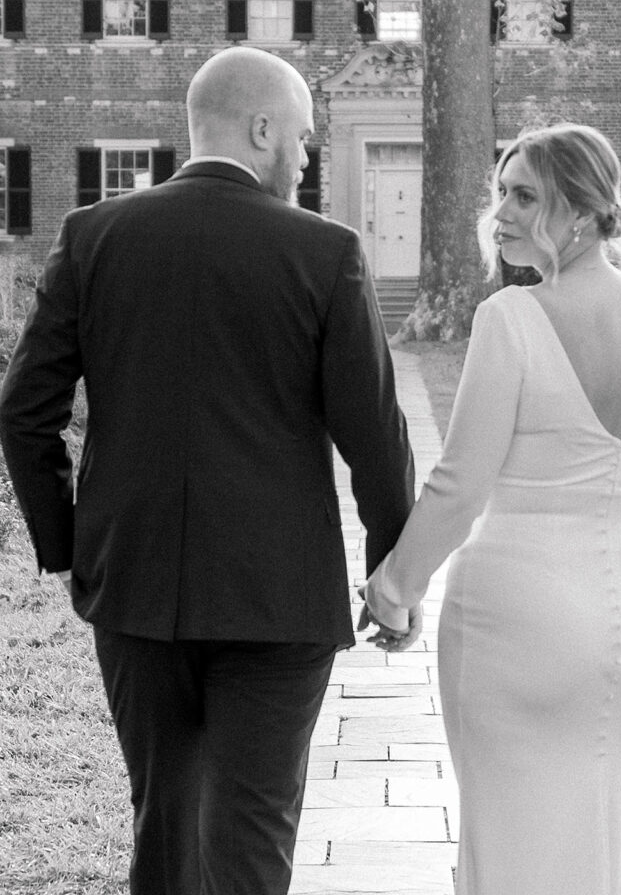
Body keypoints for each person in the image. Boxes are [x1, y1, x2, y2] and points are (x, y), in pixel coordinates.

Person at [0, 47, 415, 895]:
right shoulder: (325, 252)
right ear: (262, 129)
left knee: (164, 825)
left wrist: (69, 541)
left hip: (134, 586)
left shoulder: (94, 236)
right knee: (251, 839)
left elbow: (21, 411)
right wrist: (392, 574)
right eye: (301, 140)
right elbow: (373, 435)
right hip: (276, 597)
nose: (303, 158)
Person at [362, 123, 621, 895]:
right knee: (596, 821)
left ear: (577, 208)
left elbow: (459, 486)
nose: (498, 211)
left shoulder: (511, 319)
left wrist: (392, 589)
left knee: (507, 837)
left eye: (522, 194)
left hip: (517, 618)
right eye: (499, 191)